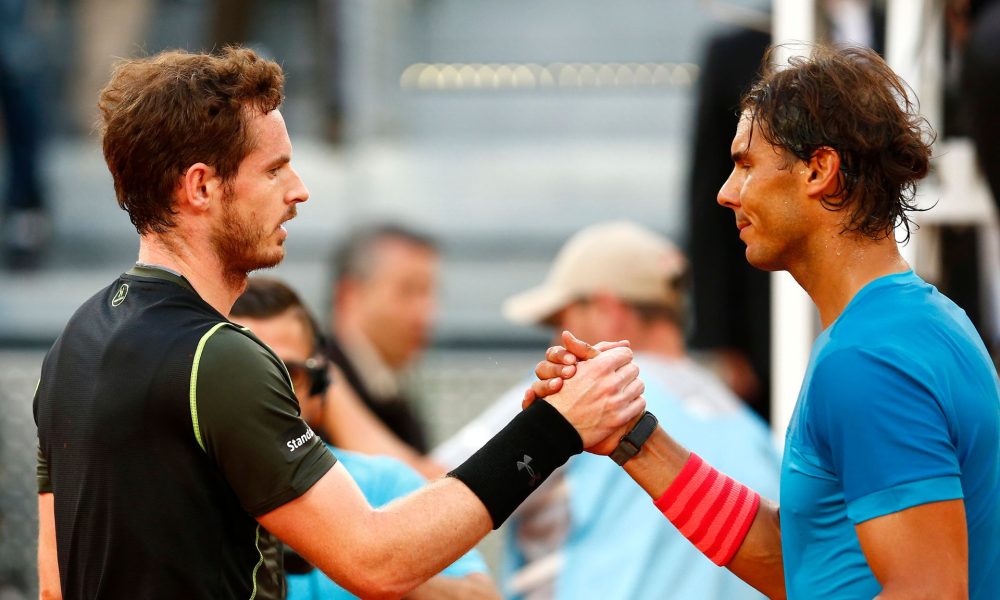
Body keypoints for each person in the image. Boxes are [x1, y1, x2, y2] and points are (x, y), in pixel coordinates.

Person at [32, 47, 646, 599]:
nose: (299, 190)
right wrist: (553, 431)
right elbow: (376, 560)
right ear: (200, 187)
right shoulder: (218, 357)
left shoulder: (74, 342)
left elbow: (55, 584)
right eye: (273, 169)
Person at [530, 45, 1000, 598]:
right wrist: (629, 436)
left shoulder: (869, 360)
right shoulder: (909, 327)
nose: (726, 192)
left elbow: (929, 593)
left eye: (746, 164)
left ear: (819, 170)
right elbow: (798, 560)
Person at [434, 221, 781, 599]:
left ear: (607, 311)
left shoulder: (585, 390)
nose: (554, 342)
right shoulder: (753, 430)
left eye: (560, 322)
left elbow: (425, 495)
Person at [229, 277, 500, 600]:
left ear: (320, 389)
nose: (266, 396)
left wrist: (379, 565)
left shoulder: (384, 484)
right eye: (245, 372)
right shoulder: (174, 487)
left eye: (288, 375)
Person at [323, 224, 438, 453]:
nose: (426, 314)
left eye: (429, 293)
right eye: (407, 290)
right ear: (348, 295)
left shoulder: (390, 393)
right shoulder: (309, 392)